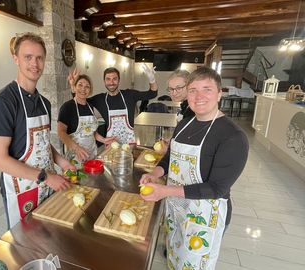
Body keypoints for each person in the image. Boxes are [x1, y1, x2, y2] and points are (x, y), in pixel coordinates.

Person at [140, 67, 249, 270]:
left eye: (206, 89)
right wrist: (155, 173)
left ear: (219, 93)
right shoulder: (184, 124)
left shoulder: (232, 137)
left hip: (203, 218)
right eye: (193, 90)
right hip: (176, 210)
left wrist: (165, 191)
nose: (198, 96)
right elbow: (170, 157)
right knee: (174, 258)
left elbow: (217, 188)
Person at [0, 32, 74, 229]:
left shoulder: (44, 102)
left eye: (39, 58)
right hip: (21, 190)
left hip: (47, 185)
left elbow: (41, 143)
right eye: (28, 57)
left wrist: (63, 162)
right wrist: (47, 177)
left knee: (49, 236)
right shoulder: (2, 103)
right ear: (15, 59)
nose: (35, 63)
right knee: (25, 248)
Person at [87, 65, 158, 145]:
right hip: (111, 143)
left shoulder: (129, 95)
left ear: (119, 80)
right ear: (104, 81)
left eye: (114, 79)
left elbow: (152, 93)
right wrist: (73, 87)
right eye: (108, 79)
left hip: (129, 143)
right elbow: (81, 101)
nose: (111, 82)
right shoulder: (100, 99)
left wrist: (152, 80)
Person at [58, 72, 115, 168]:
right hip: (75, 156)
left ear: (90, 90)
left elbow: (91, 132)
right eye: (80, 85)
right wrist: (76, 148)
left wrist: (104, 140)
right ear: (74, 87)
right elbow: (61, 132)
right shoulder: (67, 107)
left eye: (87, 86)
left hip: (91, 153)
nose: (83, 89)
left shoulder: (90, 107)